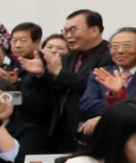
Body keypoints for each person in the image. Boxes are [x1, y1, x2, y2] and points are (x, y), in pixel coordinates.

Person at [23, 9, 111, 152]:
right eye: (65, 31)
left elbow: (91, 85)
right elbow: (56, 87)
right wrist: (41, 74)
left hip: (91, 126)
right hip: (61, 126)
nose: (68, 36)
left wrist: (60, 72)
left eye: (73, 30)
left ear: (94, 30)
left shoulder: (109, 55)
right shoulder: (70, 56)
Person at [82, 27, 136, 124]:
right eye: (114, 46)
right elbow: (87, 104)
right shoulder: (100, 73)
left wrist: (105, 116)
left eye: (127, 45)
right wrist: (123, 108)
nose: (120, 51)